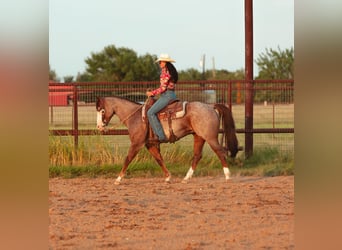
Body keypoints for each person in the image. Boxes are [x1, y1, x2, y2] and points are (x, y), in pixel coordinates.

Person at [146, 53, 178, 143]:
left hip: (167, 96)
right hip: (171, 95)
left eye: (161, 61)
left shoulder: (165, 73)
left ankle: (160, 136)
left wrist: (152, 93)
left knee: (150, 112)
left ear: (165, 62)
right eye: (159, 62)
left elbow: (163, 88)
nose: (159, 63)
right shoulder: (170, 71)